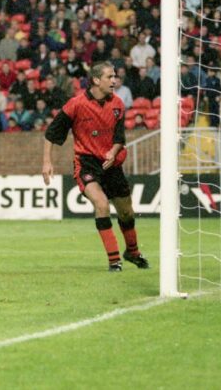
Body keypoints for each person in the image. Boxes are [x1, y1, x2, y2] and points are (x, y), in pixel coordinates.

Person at [42, 62, 149, 272]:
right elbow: (51, 133)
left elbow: (120, 138)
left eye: (115, 76)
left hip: (112, 164)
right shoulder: (76, 104)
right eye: (110, 77)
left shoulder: (118, 104)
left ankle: (132, 252)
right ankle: (114, 261)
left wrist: (114, 150)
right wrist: (47, 162)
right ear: (96, 80)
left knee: (127, 213)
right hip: (87, 163)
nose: (114, 80)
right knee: (101, 205)